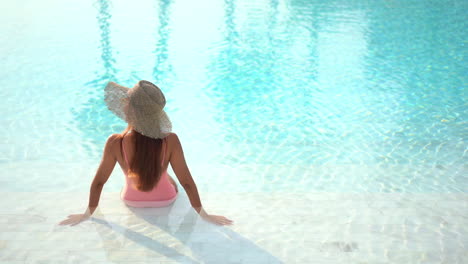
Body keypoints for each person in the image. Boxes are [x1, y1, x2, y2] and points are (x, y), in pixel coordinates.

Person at [59, 80, 233, 226]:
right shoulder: (170, 140)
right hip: (166, 198)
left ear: (130, 109)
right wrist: (204, 215)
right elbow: (186, 182)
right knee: (168, 177)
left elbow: (98, 183)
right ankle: (162, 177)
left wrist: (87, 214)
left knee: (131, 178)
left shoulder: (115, 142)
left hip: (131, 199)